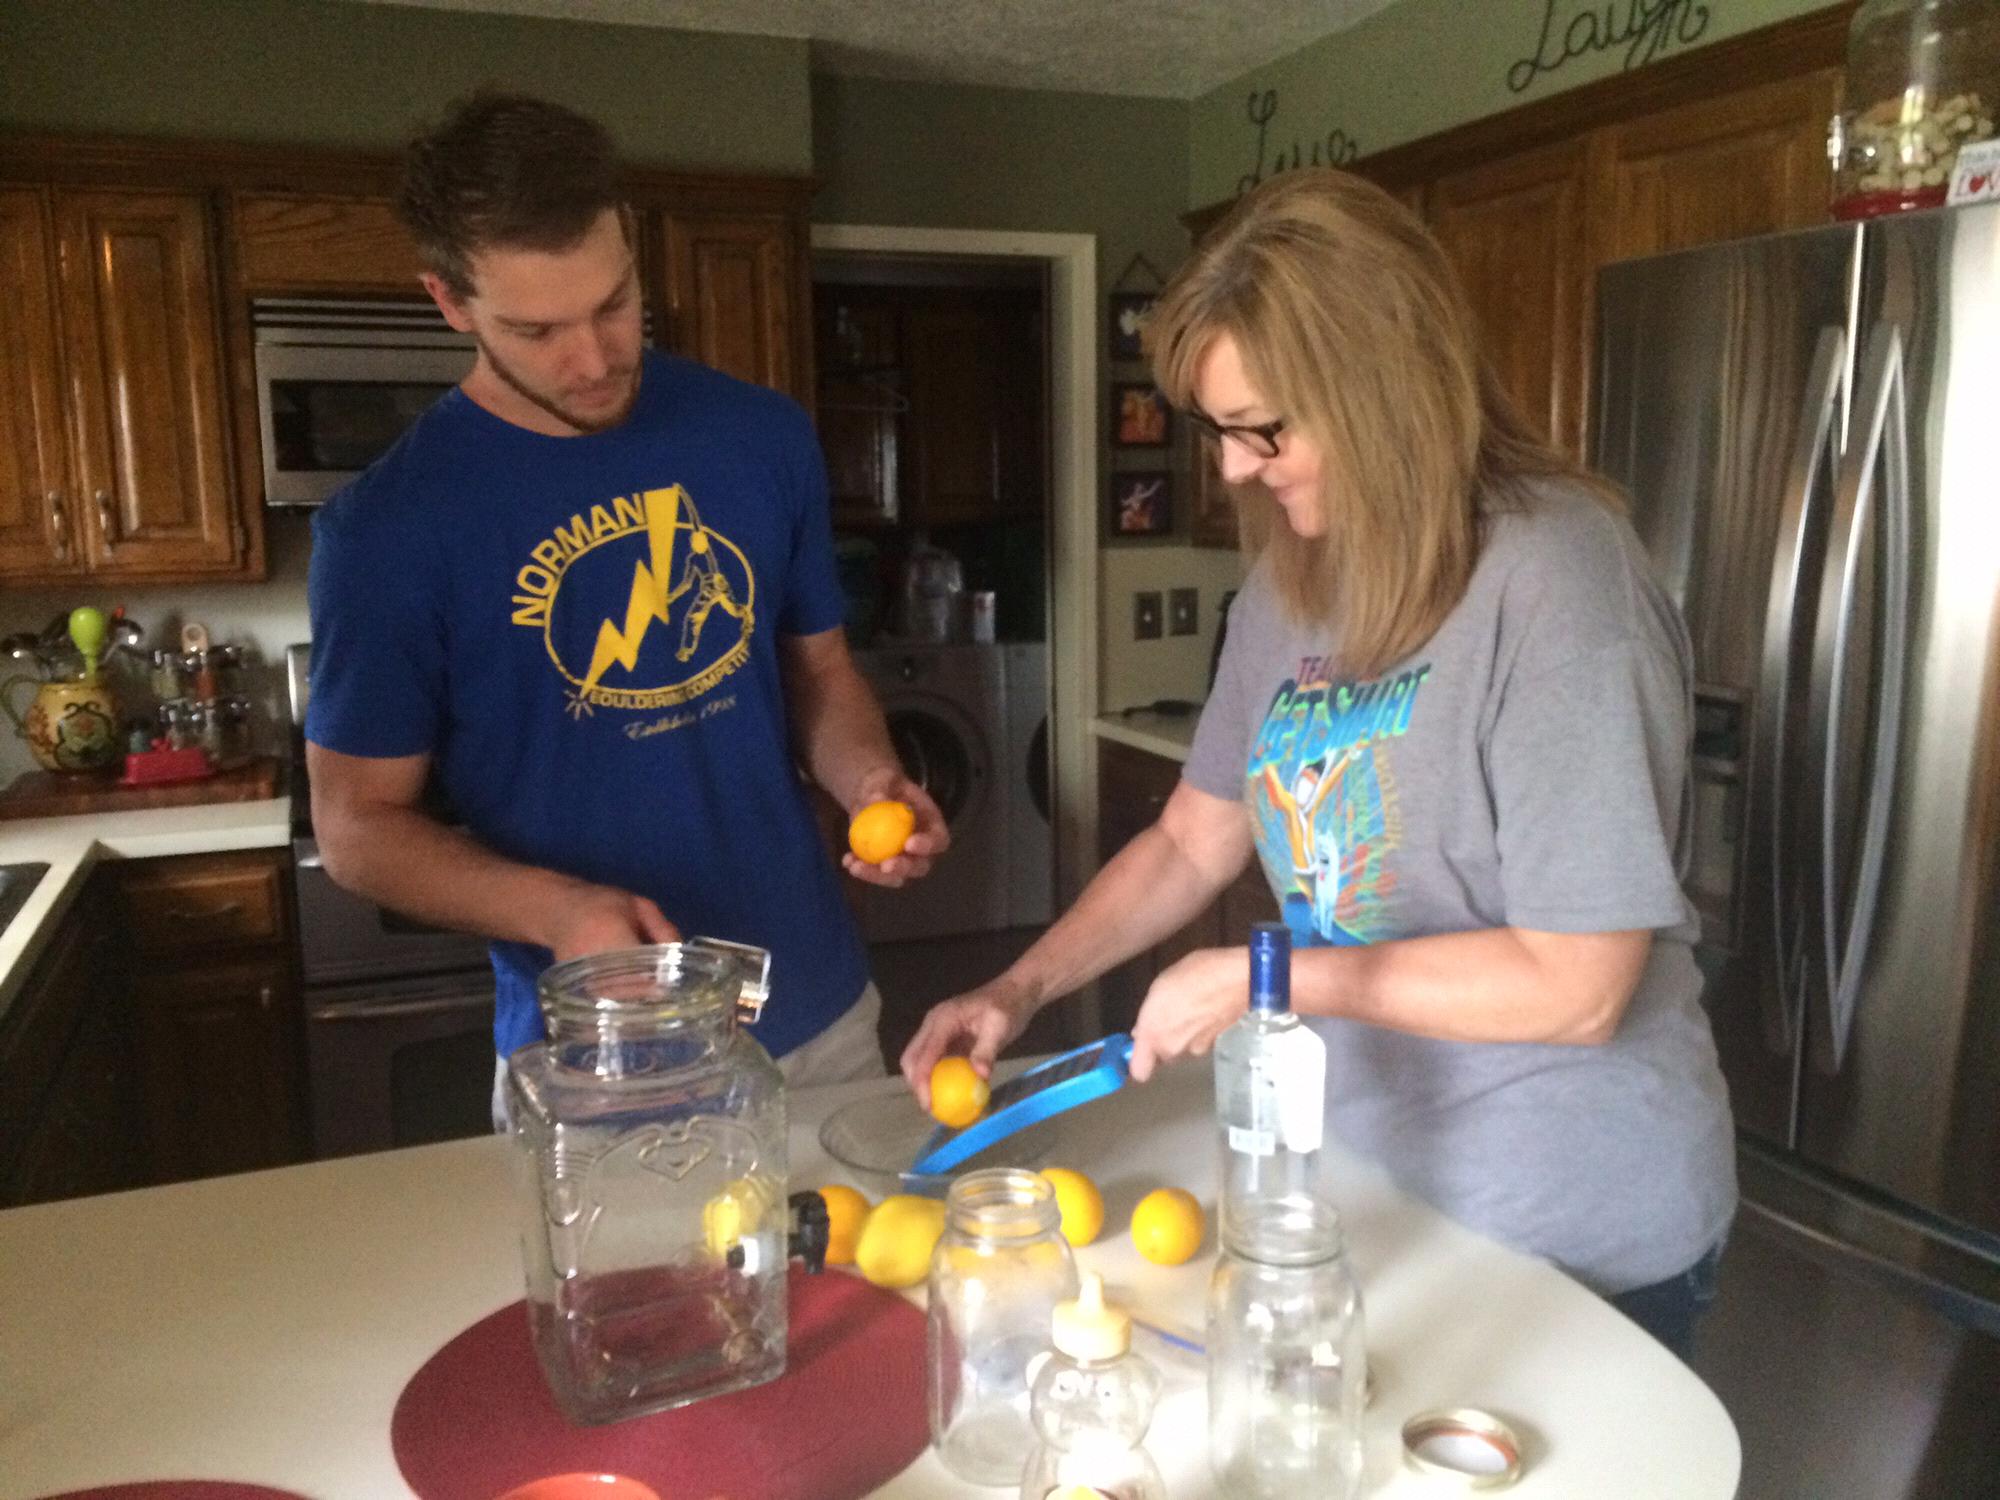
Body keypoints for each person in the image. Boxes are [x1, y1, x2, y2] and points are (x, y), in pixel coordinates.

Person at [902, 168, 1735, 1358]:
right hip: (1365, 1192)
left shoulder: (1558, 580)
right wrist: (1016, 990)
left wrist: (1269, 978)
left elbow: (1576, 983)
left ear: (1384, 390)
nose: (1234, 468)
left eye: (1262, 430)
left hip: (1568, 1233)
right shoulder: (1288, 586)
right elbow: (1194, 837)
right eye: (1219, 432)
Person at [305, 91, 945, 1108]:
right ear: (449, 301)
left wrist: (871, 781)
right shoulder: (384, 532)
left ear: (632, 246)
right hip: (593, 1052)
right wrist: (560, 911)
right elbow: (356, 828)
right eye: (538, 329)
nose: (594, 358)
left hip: (817, 1014)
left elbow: (816, 670)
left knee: (850, 1271)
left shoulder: (759, 437)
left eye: (613, 305)